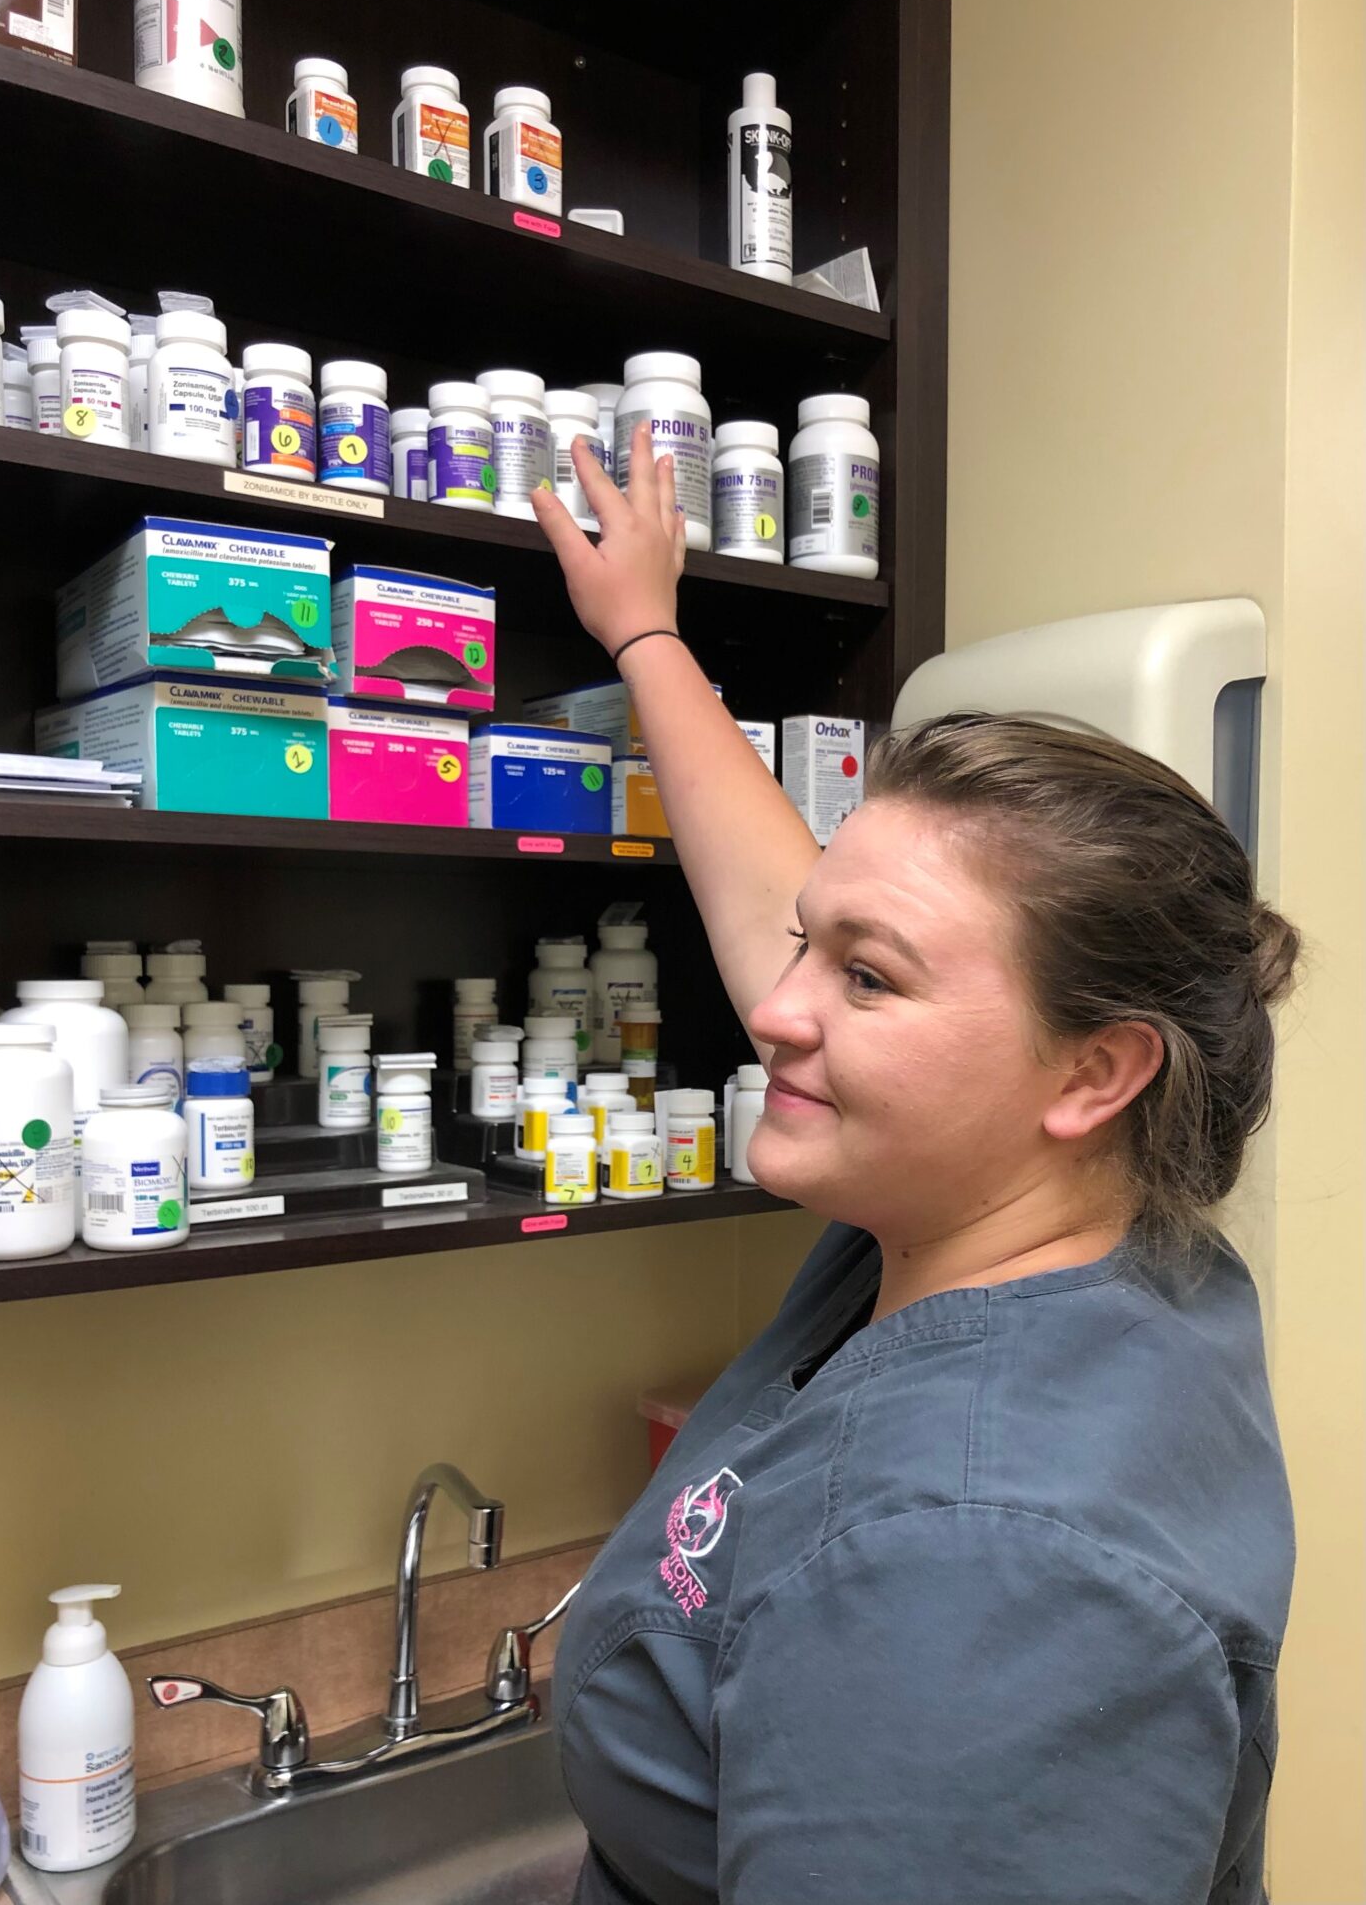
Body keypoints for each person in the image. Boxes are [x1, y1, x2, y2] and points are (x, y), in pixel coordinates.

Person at [529, 428, 1298, 1905]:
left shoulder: (979, 1582)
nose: (778, 1007)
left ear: (1094, 1072)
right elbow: (781, 912)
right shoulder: (1061, 1225)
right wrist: (646, 631)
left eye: (867, 980)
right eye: (818, 942)